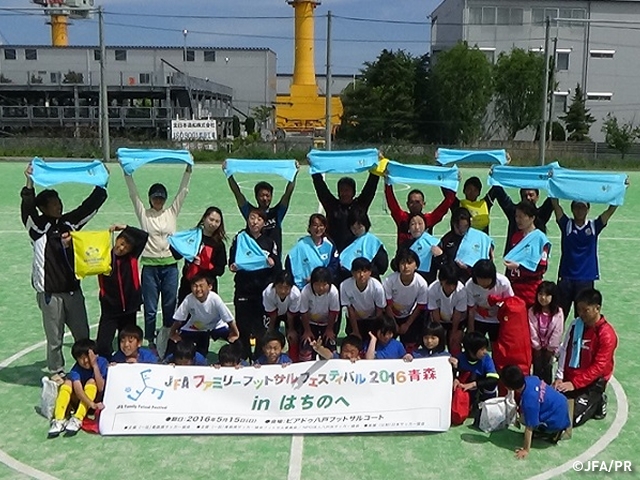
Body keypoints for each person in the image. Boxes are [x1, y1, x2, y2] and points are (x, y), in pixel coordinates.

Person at [21, 163, 108, 382]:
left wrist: (102, 181)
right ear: (43, 208)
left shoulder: (70, 223)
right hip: (50, 294)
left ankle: (89, 367)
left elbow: (89, 207)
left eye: (59, 202)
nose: (58, 206)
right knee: (54, 338)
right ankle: (56, 371)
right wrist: (30, 181)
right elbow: (27, 207)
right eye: (53, 204)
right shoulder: (37, 227)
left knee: (83, 335)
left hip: (73, 292)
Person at [123, 163, 192, 352]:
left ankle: (168, 339)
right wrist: (127, 173)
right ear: (150, 199)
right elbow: (133, 195)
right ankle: (150, 342)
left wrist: (188, 170)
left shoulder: (171, 212)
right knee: (151, 309)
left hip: (170, 266)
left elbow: (183, 192)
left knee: (170, 306)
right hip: (150, 268)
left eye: (161, 198)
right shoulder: (144, 215)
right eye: (155, 197)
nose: (158, 201)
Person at [555, 288, 617, 427]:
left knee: (571, 418)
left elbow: (599, 368)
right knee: (552, 407)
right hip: (571, 379)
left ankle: (598, 400)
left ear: (597, 308)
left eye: (585, 310)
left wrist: (575, 384)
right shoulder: (575, 325)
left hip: (592, 383)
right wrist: (559, 377)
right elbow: (565, 350)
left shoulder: (607, 335)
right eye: (579, 309)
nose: (581, 314)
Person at [551, 198, 618, 318]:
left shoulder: (594, 226)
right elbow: (556, 205)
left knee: (583, 317)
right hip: (566, 278)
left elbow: (610, 210)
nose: (580, 210)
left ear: (588, 209)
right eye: (577, 207)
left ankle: (580, 338)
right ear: (572, 209)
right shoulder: (566, 224)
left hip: (586, 279)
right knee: (558, 315)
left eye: (583, 207)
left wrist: (619, 190)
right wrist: (552, 184)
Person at [229, 208, 280, 360]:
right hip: (243, 291)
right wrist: (233, 265)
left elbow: (276, 264)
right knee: (243, 327)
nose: (254, 222)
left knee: (261, 329)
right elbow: (232, 260)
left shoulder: (269, 242)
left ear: (264, 223)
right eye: (252, 218)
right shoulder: (240, 238)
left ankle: (259, 358)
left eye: (259, 219)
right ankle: (244, 358)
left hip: (262, 293)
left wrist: (271, 262)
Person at [96, 224, 149, 360]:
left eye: (126, 247)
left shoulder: (132, 256)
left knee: (129, 344)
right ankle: (105, 368)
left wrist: (124, 227)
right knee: (102, 344)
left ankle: (125, 367)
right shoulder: (103, 257)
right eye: (121, 243)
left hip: (130, 308)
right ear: (117, 239)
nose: (121, 248)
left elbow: (143, 236)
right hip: (110, 308)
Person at [224, 161, 299, 254]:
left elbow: (288, 193)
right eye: (261, 195)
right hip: (254, 260)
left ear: (272, 196)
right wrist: (228, 174)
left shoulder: (277, 212)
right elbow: (237, 193)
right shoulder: (250, 212)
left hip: (273, 262)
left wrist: (294, 173)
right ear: (256, 196)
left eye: (267, 195)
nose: (265, 198)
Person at [502, 365, 571, 459]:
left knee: (523, 419)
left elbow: (529, 427)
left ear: (509, 387)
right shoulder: (532, 379)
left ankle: (552, 433)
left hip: (557, 421)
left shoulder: (529, 402)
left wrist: (525, 449)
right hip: (562, 405)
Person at [167, 274, 239, 358]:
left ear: (210, 287)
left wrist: (235, 334)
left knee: (237, 342)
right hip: (196, 327)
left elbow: (229, 319)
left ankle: (239, 362)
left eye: (201, 286)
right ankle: (167, 361)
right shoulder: (189, 299)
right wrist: (172, 334)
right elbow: (179, 320)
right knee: (173, 341)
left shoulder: (215, 298)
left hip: (216, 326)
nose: (198, 289)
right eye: (195, 286)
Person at [48, 339, 108, 437]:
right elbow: (78, 390)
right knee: (67, 382)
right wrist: (91, 403)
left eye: (87, 357)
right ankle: (59, 419)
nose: (85, 361)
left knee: (91, 381)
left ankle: (78, 418)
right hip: (86, 402)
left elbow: (101, 388)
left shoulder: (102, 362)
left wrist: (95, 366)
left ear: (94, 355)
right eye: (81, 358)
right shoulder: (76, 369)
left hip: (98, 401)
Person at [311, 170, 380, 252]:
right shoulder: (332, 206)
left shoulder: (360, 206)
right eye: (342, 190)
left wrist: (376, 170)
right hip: (334, 252)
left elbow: (370, 188)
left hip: (355, 252)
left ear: (353, 192)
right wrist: (314, 169)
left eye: (347, 190)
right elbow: (321, 188)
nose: (344, 193)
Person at [504, 201, 550, 308]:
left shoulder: (540, 238)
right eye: (516, 216)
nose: (518, 220)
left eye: (522, 216)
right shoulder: (515, 236)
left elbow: (542, 267)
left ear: (532, 218)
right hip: (515, 288)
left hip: (531, 289)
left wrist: (520, 267)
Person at [384, 181, 456, 248]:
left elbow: (446, 204)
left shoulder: (429, 219)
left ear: (423, 204)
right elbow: (391, 201)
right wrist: (388, 183)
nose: (414, 205)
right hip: (403, 259)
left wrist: (453, 182)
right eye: (412, 202)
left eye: (417, 202)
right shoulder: (402, 218)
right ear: (407, 204)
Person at [177, 206, 227, 302]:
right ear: (204, 218)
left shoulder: (219, 244)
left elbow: (220, 271)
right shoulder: (192, 236)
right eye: (211, 219)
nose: (213, 224)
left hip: (207, 288)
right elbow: (177, 255)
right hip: (188, 285)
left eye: (217, 221)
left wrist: (205, 264)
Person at [383, 249, 429, 352]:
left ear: (416, 265)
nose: (406, 266)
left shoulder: (421, 283)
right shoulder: (389, 281)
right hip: (391, 317)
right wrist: (394, 324)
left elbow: (420, 306)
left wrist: (407, 324)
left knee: (410, 346)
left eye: (409, 263)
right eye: (402, 263)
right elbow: (387, 305)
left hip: (410, 317)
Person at [489, 185, 553, 256]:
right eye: (525, 195)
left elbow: (554, 196)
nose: (528, 198)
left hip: (534, 261)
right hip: (513, 260)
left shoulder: (541, 215)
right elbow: (497, 189)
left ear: (537, 197)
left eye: (531, 195)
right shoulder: (513, 212)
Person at [285, 213, 340, 289]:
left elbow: (334, 265)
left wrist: (318, 278)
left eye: (321, 225)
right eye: (315, 225)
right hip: (304, 287)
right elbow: (290, 261)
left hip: (323, 286)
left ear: (325, 228)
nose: (318, 229)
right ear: (309, 227)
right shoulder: (301, 245)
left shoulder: (329, 245)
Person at [450, 332, 499, 416]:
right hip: (463, 388)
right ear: (471, 350)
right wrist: (455, 377)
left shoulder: (486, 359)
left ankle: (484, 406)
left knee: (490, 385)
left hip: (478, 388)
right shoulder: (459, 358)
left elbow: (494, 379)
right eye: (482, 349)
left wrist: (473, 384)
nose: (485, 352)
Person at [466, 259, 514, 343]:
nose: (483, 282)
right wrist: (471, 329)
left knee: (496, 345)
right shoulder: (470, 285)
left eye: (486, 279)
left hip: (498, 319)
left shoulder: (503, 282)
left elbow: (511, 304)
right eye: (480, 279)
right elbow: (471, 309)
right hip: (478, 318)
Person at [299, 267, 341, 360]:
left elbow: (333, 312)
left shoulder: (333, 291)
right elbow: (304, 312)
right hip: (310, 323)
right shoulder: (306, 291)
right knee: (306, 349)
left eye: (324, 284)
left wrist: (329, 329)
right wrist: (307, 331)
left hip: (328, 323)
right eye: (317, 284)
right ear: (312, 283)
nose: (321, 288)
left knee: (329, 348)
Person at [340, 257, 386, 340]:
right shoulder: (344, 286)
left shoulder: (377, 287)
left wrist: (375, 330)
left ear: (370, 272)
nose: (361, 275)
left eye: (365, 271)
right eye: (358, 272)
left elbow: (379, 310)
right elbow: (350, 309)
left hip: (372, 318)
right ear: (352, 273)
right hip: (354, 319)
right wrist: (355, 331)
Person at [338, 207, 388, 281]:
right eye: (353, 228)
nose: (356, 231)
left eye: (359, 227)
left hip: (369, 281)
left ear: (365, 224)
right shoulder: (346, 242)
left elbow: (382, 266)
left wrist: (364, 272)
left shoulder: (373, 242)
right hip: (348, 281)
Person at [528, 281, 564, 385]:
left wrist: (550, 348)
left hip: (550, 349)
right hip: (536, 348)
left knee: (548, 368)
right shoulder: (532, 311)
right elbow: (532, 330)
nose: (543, 298)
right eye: (540, 294)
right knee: (537, 368)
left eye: (547, 295)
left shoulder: (558, 312)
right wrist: (537, 347)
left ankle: (546, 390)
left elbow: (558, 332)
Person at [262, 271, 301, 361]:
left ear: (291, 287)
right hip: (272, 314)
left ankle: (293, 359)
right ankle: (265, 360)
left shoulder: (296, 294)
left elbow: (291, 314)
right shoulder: (268, 292)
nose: (283, 291)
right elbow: (272, 313)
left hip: (289, 313)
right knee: (266, 337)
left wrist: (291, 330)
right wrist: (270, 330)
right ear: (275, 285)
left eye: (286, 288)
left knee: (293, 337)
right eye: (280, 287)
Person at [428, 264, 467, 352]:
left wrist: (453, 332)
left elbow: (458, 313)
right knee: (436, 342)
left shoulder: (462, 291)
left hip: (457, 320)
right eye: (448, 284)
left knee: (454, 342)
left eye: (454, 284)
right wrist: (439, 333)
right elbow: (435, 311)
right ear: (441, 281)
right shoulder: (432, 289)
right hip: (439, 319)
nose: (451, 287)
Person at [432, 207, 475, 283]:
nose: (462, 231)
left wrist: (467, 268)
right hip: (452, 280)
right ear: (453, 223)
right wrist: (440, 256)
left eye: (465, 227)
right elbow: (439, 265)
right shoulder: (447, 239)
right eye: (459, 227)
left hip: (470, 280)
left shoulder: (474, 238)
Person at [393, 213, 440, 283]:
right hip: (409, 283)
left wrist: (440, 255)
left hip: (428, 283)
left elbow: (442, 266)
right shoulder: (405, 245)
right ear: (408, 228)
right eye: (413, 224)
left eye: (420, 223)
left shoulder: (435, 243)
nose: (417, 227)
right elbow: (395, 265)